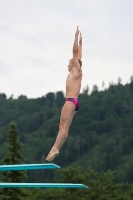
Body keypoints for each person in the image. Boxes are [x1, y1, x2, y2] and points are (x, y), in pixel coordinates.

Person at [46, 26, 82, 161]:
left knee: (62, 126)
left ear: (74, 64)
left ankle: (55, 148)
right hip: (74, 102)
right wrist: (81, 43)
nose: (67, 65)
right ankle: (56, 148)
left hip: (70, 100)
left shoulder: (76, 70)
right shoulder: (77, 72)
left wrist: (76, 36)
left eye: (69, 63)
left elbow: (75, 53)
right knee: (64, 126)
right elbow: (79, 55)